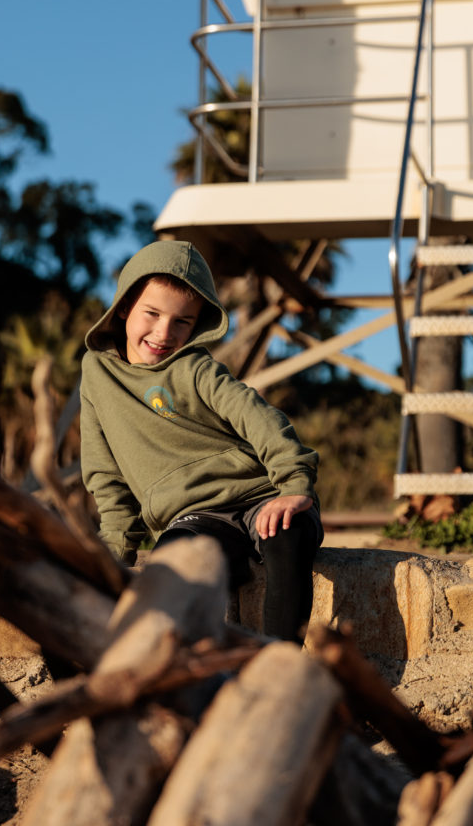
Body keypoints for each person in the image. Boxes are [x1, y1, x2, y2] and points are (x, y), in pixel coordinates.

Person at [80, 239, 323, 642]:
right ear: (123, 307)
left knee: (287, 534)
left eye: (182, 322)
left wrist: (295, 484)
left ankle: (277, 663)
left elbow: (257, 416)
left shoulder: (196, 369)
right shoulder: (96, 374)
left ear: (197, 326)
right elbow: (105, 471)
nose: (164, 333)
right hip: (196, 516)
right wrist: (114, 551)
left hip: (260, 493)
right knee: (173, 563)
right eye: (152, 314)